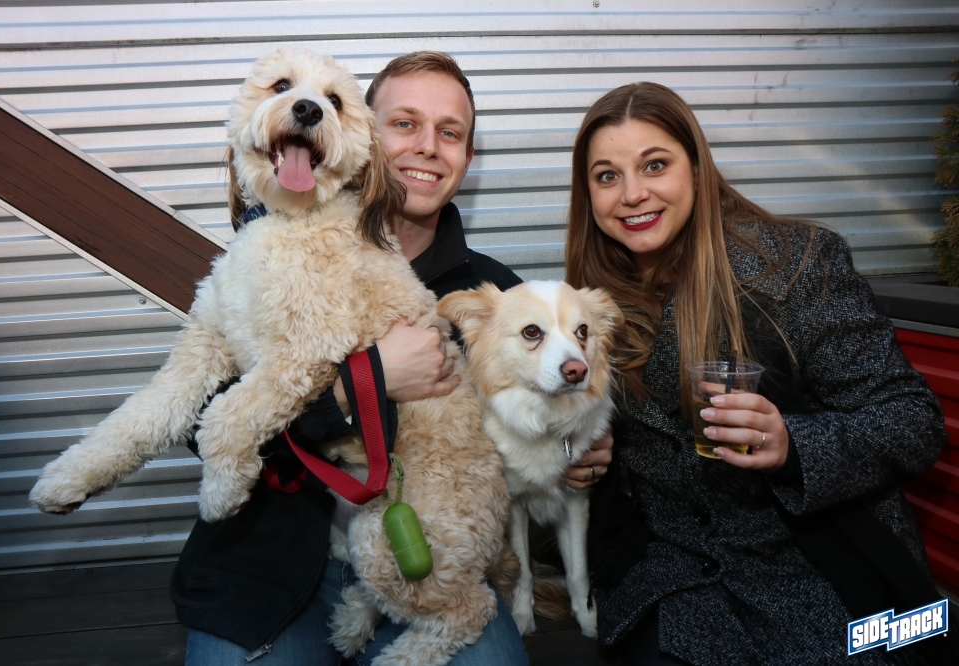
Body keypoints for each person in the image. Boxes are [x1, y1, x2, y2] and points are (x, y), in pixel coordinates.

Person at [172, 51, 608, 666]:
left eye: (449, 133)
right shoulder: (276, 251)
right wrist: (364, 381)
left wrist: (574, 446)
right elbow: (199, 423)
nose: (428, 146)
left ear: (467, 158)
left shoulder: (499, 301)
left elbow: (532, 422)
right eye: (404, 124)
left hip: (426, 561)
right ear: (359, 134)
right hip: (268, 566)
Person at [564, 81, 955, 665]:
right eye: (606, 176)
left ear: (698, 169)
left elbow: (913, 421)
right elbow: (579, 433)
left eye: (655, 165)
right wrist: (579, 455)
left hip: (819, 567)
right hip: (670, 577)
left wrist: (792, 444)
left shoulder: (796, 265)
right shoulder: (587, 305)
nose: (632, 193)